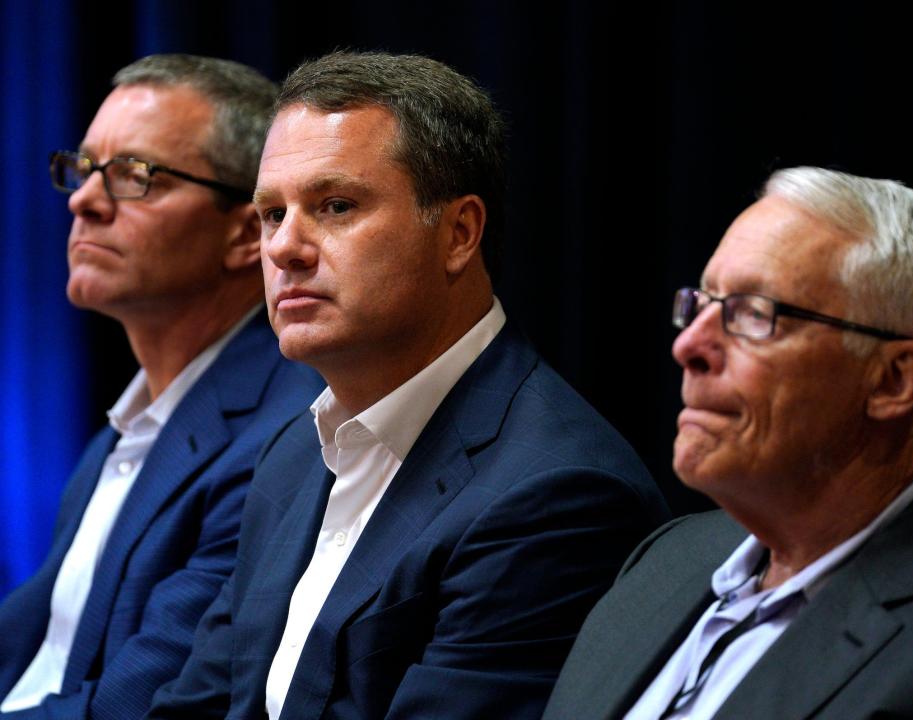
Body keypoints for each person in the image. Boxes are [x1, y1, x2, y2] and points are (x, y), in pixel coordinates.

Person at [146, 50, 670, 720]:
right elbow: (197, 704)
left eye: (335, 205)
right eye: (273, 213)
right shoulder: (293, 453)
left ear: (459, 233)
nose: (284, 248)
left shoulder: (556, 494)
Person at [543, 167, 913, 719]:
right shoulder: (665, 562)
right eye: (703, 303)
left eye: (755, 314)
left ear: (894, 380)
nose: (689, 345)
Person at [0, 55, 324, 720]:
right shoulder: (124, 429)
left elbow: (149, 704)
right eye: (84, 169)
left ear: (244, 235)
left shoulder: (284, 441)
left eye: (133, 176)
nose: (85, 200)